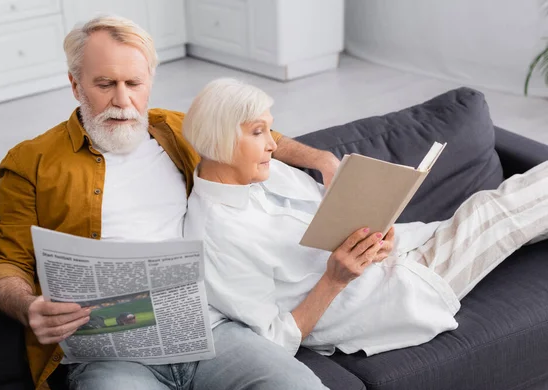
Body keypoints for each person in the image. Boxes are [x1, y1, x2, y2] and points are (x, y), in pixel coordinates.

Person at [0, 16, 340, 390]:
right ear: (75, 84)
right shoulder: (30, 161)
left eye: (134, 84)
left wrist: (323, 160)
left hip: (209, 329)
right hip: (112, 356)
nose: (122, 100)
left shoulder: (173, 129)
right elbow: (3, 263)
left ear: (149, 80)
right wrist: (28, 305)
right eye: (105, 84)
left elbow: (251, 131)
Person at [183, 78, 548, 359]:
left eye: (269, 129)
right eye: (258, 132)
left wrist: (379, 235)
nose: (274, 144)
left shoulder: (268, 171)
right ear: (219, 139)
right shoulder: (216, 235)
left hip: (399, 254)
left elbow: (334, 221)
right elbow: (274, 342)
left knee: (514, 216)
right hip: (392, 294)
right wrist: (334, 280)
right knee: (492, 212)